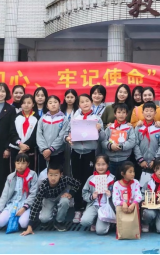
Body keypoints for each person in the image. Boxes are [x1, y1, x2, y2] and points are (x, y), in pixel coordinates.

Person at [65, 93, 105, 224]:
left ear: (91, 102)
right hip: (76, 152)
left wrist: (99, 130)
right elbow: (66, 133)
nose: (85, 103)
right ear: (79, 105)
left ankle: (90, 206)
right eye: (82, 102)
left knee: (90, 180)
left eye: (87, 101)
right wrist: (68, 138)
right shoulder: (75, 118)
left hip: (90, 153)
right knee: (76, 180)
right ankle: (78, 208)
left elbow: (103, 138)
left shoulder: (96, 118)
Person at [22, 162, 80, 235]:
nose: (53, 178)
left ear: (61, 174)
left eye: (56, 175)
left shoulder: (65, 179)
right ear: (47, 174)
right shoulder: (44, 185)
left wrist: (71, 193)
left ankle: (59, 221)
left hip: (61, 196)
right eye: (51, 175)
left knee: (65, 201)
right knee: (44, 219)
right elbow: (36, 203)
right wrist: (30, 225)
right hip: (48, 199)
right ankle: (49, 215)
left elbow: (77, 183)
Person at [0, 153, 38, 231]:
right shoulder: (10, 177)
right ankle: (14, 219)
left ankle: (20, 219)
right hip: (12, 204)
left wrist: (24, 208)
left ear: (28, 164)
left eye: (23, 163)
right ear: (15, 163)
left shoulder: (32, 175)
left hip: (26, 204)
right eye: (18, 163)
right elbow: (5, 195)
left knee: (23, 224)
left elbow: (33, 194)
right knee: (0, 222)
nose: (20, 165)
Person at [80, 155, 116, 235]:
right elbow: (84, 192)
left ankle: (110, 223)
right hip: (94, 205)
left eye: (103, 164)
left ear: (107, 165)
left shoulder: (112, 178)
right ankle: (95, 220)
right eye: (98, 164)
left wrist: (111, 195)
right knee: (84, 221)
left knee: (100, 231)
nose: (101, 167)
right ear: (95, 165)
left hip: (106, 207)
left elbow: (118, 195)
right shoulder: (91, 178)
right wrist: (91, 196)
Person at [134, 102, 160, 185]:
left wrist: (155, 160)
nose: (149, 113)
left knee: (155, 184)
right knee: (141, 185)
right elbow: (135, 144)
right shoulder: (138, 127)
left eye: (151, 111)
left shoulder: (159, 127)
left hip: (155, 162)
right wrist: (140, 159)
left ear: (155, 113)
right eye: (146, 111)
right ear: (142, 112)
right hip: (141, 162)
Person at [103, 103, 137, 178]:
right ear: (115, 114)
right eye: (119, 112)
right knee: (111, 179)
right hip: (111, 159)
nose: (121, 115)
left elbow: (132, 141)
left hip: (124, 159)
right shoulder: (109, 128)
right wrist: (110, 146)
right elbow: (103, 141)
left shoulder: (129, 128)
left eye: (123, 112)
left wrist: (121, 146)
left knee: (124, 179)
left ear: (127, 114)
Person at [36, 96, 69, 169]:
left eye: (55, 102)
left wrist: (51, 149)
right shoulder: (43, 118)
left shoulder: (64, 119)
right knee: (43, 174)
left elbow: (62, 136)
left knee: (56, 173)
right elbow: (39, 134)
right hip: (43, 153)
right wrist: (44, 150)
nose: (53, 104)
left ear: (59, 104)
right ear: (47, 106)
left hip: (58, 153)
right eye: (50, 103)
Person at [10, 94, 40, 172]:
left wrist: (24, 148)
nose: (26, 105)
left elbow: (36, 135)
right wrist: (19, 144)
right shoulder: (16, 117)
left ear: (33, 104)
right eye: (24, 103)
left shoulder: (37, 118)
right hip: (16, 149)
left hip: (30, 149)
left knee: (30, 172)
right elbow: (12, 132)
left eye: (29, 103)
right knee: (15, 172)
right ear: (21, 104)